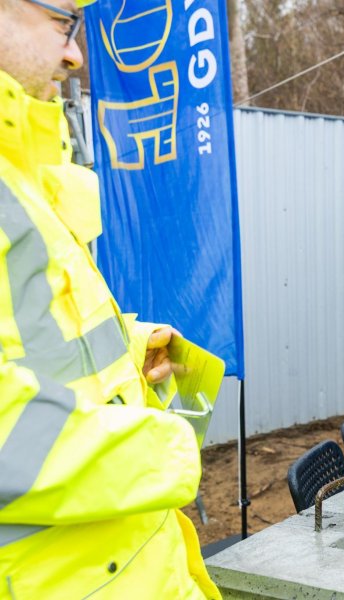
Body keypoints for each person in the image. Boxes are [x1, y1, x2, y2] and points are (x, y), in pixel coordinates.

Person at [0, 1, 220, 598]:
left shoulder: (20, 169)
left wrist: (126, 345)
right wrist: (168, 451)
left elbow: (34, 331)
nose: (74, 55)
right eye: (61, 23)